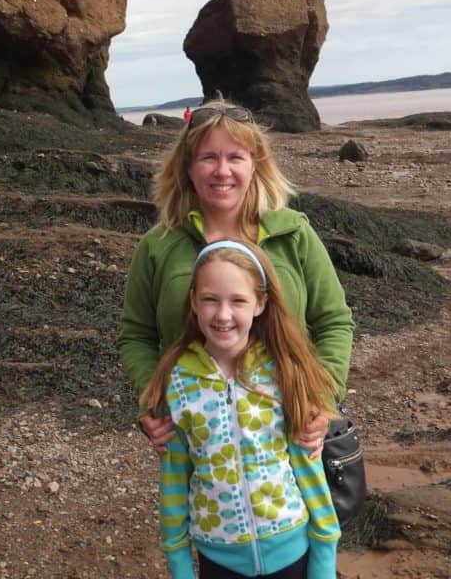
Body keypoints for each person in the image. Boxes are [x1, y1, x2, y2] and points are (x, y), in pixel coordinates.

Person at [119, 100, 354, 455]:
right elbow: (136, 335)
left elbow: (335, 322)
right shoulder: (159, 246)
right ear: (187, 168)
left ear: (255, 165)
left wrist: (322, 398)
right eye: (208, 157)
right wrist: (152, 402)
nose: (222, 170)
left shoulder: (294, 235)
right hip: (199, 445)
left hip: (293, 437)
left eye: (235, 157)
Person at [140, 240, 340, 579]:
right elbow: (174, 479)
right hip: (217, 561)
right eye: (210, 300)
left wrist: (324, 556)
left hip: (294, 555)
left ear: (260, 303)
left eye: (238, 301)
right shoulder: (176, 382)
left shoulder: (284, 373)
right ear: (193, 302)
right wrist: (179, 563)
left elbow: (309, 469)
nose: (223, 314)